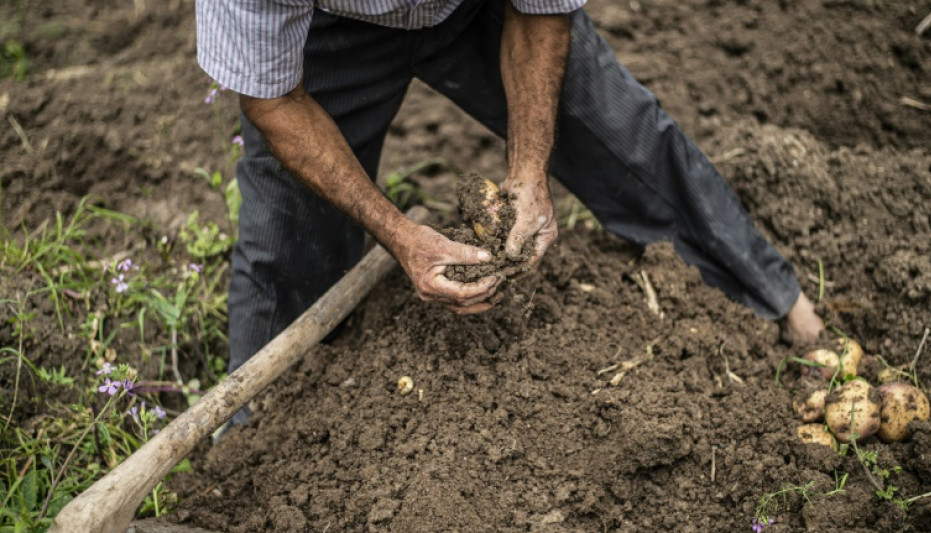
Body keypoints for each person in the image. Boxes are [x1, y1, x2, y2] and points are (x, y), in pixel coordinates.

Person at [195, 0, 825, 426]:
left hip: (480, 9)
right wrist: (399, 235)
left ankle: (778, 302)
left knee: (626, 142)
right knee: (287, 244)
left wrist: (530, 169)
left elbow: (541, 8)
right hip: (325, 35)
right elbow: (272, 100)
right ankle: (247, 443)